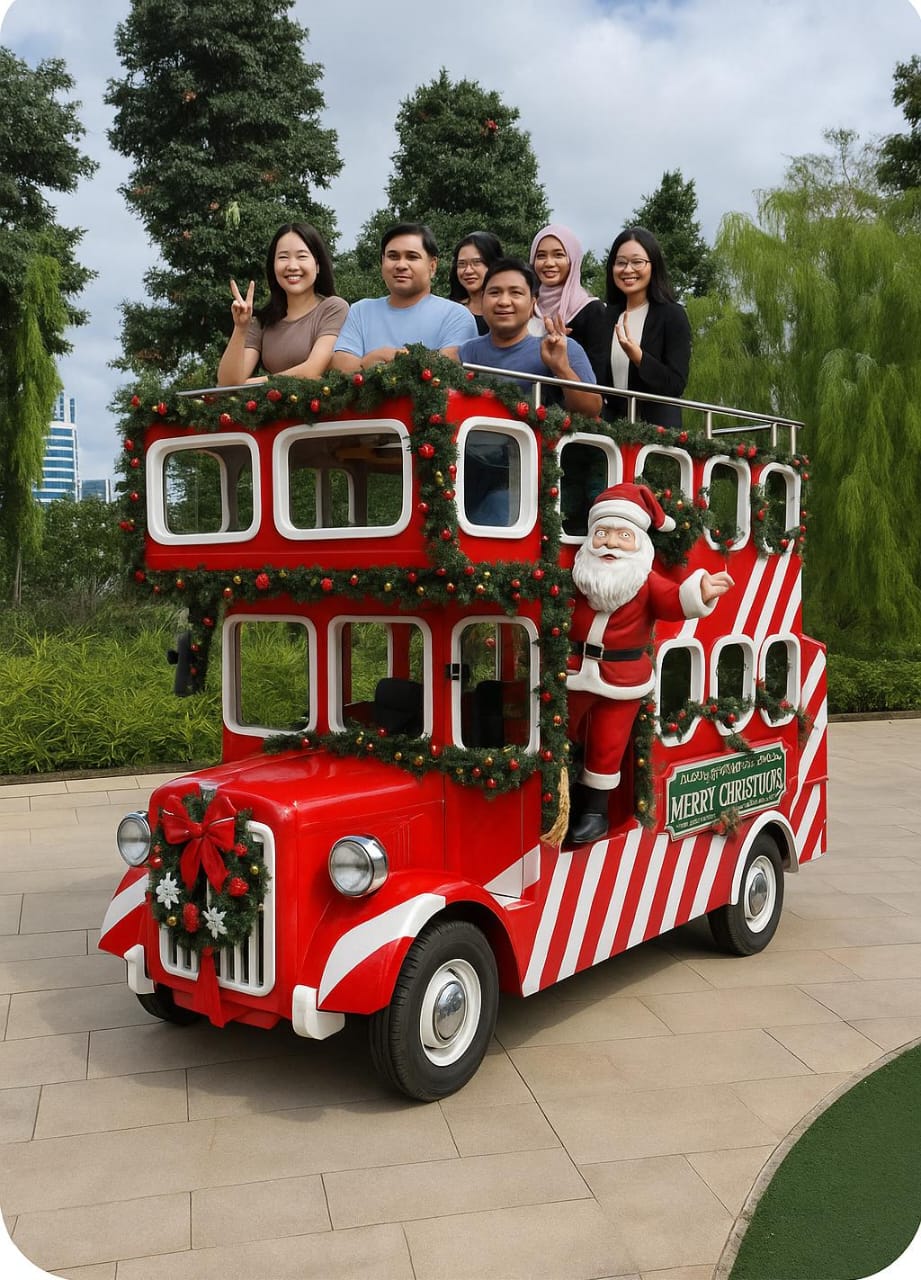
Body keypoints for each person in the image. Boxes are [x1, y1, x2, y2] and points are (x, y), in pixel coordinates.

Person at [566, 483, 733, 843]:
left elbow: (675, 601)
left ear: (639, 541)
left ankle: (595, 812)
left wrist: (699, 591)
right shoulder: (579, 577)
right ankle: (556, 799)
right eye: (602, 534)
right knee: (561, 733)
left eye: (622, 535)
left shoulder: (645, 582)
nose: (610, 543)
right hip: (574, 672)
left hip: (623, 677)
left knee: (607, 745)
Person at [455, 258, 602, 419]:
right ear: (482, 300)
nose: (504, 302)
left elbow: (591, 410)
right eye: (495, 293)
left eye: (515, 293)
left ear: (533, 303)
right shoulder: (467, 352)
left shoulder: (561, 348)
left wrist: (561, 368)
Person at [331, 223, 477, 372]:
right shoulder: (360, 311)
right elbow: (342, 370)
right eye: (393, 256)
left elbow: (447, 370)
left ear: (432, 266)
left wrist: (376, 360)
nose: (401, 265)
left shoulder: (456, 316)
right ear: (382, 263)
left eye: (412, 257)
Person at [217, 223, 347, 384]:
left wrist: (248, 384)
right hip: (271, 408)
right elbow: (226, 384)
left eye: (302, 256)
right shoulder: (261, 322)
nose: (292, 266)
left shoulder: (334, 308)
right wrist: (241, 328)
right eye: (283, 257)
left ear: (318, 265)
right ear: (273, 267)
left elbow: (312, 370)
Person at [599, 226, 691, 429]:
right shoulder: (607, 315)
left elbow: (675, 384)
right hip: (612, 434)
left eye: (637, 262)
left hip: (657, 436)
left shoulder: (672, 314)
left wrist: (639, 357)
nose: (628, 270)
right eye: (620, 262)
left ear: (653, 265)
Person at [529, 224, 609, 383]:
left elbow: (599, 373)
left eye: (558, 255)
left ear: (573, 260)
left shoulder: (592, 310)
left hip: (575, 403)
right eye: (541, 256)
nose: (549, 263)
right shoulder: (527, 306)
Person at [448, 231, 504, 334]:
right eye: (462, 264)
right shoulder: (449, 311)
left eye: (477, 262)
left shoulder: (507, 308)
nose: (468, 271)